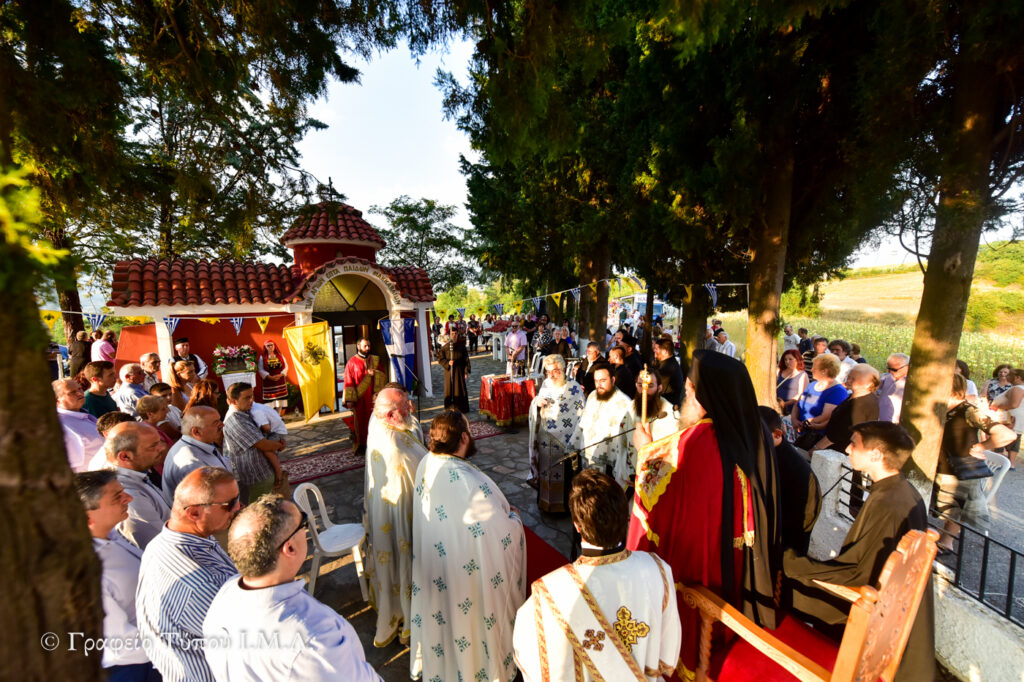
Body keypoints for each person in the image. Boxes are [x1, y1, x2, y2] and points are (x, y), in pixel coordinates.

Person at [627, 350, 781, 680]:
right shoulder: (751, 428)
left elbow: (662, 499)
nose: (685, 398)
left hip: (698, 565)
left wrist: (643, 451)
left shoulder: (697, 440)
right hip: (736, 559)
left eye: (690, 391)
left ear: (706, 395)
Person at [783, 422, 934, 681]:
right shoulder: (903, 490)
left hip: (871, 607)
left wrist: (790, 562)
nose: (847, 449)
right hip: (888, 602)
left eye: (854, 444)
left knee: (781, 583)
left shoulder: (888, 504)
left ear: (876, 454)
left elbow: (858, 572)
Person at [513, 470, 682, 681]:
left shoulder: (548, 592)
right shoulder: (658, 569)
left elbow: (528, 656)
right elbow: (667, 656)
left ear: (577, 526)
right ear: (626, 518)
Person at [203, 494, 381, 681]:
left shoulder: (224, 597)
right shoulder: (314, 638)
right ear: (290, 549)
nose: (306, 529)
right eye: (303, 523)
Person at [410, 410, 526, 682]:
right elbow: (498, 534)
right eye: (470, 431)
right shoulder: (466, 482)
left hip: (438, 566)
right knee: (470, 621)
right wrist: (514, 520)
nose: (472, 435)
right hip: (464, 575)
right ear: (463, 437)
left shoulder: (426, 461)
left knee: (445, 618)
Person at [136, 467, 239, 682]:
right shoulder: (202, 584)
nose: (238, 507)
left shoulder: (165, 542)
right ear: (194, 513)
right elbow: (251, 644)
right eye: (229, 504)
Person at [362, 387, 429, 647]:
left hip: (385, 511)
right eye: (405, 406)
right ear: (391, 415)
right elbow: (424, 474)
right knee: (404, 563)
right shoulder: (395, 447)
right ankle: (408, 616)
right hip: (400, 516)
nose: (411, 408)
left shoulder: (378, 424)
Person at [75, 470, 156, 681]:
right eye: (117, 497)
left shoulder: (112, 535)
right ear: (87, 517)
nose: (128, 498)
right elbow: (120, 642)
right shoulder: (87, 572)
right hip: (134, 666)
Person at [934, 374, 1016, 549]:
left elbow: (1007, 435)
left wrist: (982, 446)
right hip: (941, 466)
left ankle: (947, 543)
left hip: (961, 470)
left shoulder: (969, 410)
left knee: (957, 508)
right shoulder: (941, 408)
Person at [758, 407, 822, 555]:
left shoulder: (795, 468)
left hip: (788, 540)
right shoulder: (769, 454)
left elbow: (801, 518)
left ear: (777, 434)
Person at [528, 354, 586, 512]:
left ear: (563, 369)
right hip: (545, 438)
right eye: (548, 371)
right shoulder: (546, 383)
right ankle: (544, 503)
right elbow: (538, 401)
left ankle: (563, 507)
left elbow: (581, 414)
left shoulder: (573, 388)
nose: (551, 375)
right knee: (546, 470)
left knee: (563, 473)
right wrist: (537, 403)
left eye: (555, 371)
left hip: (565, 440)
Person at [571, 362, 636, 491]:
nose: (599, 385)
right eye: (596, 381)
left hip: (609, 463)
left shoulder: (625, 403)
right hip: (587, 457)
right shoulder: (592, 396)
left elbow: (627, 439)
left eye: (603, 381)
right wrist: (573, 445)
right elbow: (582, 422)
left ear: (613, 380)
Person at [106, 421, 171, 549]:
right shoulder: (128, 496)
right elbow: (160, 546)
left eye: (159, 442)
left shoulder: (139, 472)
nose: (162, 448)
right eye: (153, 446)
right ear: (125, 456)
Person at [223, 382, 284, 503]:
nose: (251, 400)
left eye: (251, 396)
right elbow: (263, 445)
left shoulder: (244, 412)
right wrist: (280, 445)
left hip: (260, 472)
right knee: (259, 508)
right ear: (234, 401)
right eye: (247, 398)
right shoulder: (235, 420)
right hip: (255, 476)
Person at [162, 406, 231, 501]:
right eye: (216, 423)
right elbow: (207, 501)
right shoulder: (192, 463)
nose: (222, 425)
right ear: (196, 432)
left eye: (220, 420)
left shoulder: (201, 444)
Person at [811, 363, 881, 455]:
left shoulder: (863, 404)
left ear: (868, 384)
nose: (848, 380)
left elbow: (841, 432)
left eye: (854, 379)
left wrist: (817, 447)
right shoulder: (855, 395)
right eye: (849, 377)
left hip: (838, 451)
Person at [791, 353, 848, 451]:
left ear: (824, 371)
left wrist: (806, 424)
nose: (811, 370)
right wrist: (794, 419)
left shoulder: (837, 391)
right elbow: (798, 403)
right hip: (800, 432)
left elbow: (826, 416)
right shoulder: (812, 384)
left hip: (815, 438)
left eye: (814, 368)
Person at [343, 337, 386, 454]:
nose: (367, 348)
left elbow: (382, 374)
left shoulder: (375, 360)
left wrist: (375, 373)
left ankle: (376, 445)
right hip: (360, 399)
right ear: (358, 346)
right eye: (365, 346)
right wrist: (350, 399)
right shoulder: (351, 363)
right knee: (361, 423)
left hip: (373, 398)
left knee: (375, 422)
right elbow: (348, 381)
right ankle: (362, 445)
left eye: (368, 346)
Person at [54, 378, 104, 472]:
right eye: (72, 392)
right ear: (57, 400)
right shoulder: (63, 426)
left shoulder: (82, 415)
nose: (80, 393)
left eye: (80, 389)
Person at [633, 367, 679, 442]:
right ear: (636, 385)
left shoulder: (671, 416)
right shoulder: (628, 407)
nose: (644, 391)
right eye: (640, 385)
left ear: (659, 388)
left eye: (650, 386)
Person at [990, 367, 1024, 468]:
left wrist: (997, 406)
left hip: (1010, 418)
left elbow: (1014, 404)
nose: (1007, 376)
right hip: (1015, 418)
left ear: (1018, 377)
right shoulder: (1018, 387)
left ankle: (999, 462)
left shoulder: (1018, 388)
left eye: (1010, 375)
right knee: (1014, 438)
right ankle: (1009, 464)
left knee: (1000, 437)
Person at [436, 328, 471, 413]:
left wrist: (466, 371)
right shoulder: (445, 347)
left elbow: (466, 359)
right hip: (449, 372)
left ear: (458, 335)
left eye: (455, 334)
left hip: (459, 371)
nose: (454, 336)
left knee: (460, 389)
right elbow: (440, 359)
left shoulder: (462, 346)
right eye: (452, 334)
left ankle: (461, 408)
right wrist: (448, 363)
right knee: (449, 389)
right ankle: (449, 408)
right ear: (449, 335)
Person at [258, 339, 289, 413]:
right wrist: (269, 377)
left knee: (280, 400)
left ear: (274, 346)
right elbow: (260, 369)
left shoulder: (280, 355)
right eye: (268, 346)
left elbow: (286, 366)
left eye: (271, 345)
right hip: (269, 382)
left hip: (280, 381)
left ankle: (278, 415)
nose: (270, 347)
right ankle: (271, 416)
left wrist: (281, 375)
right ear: (265, 347)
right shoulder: (263, 357)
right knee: (270, 401)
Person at [877, 353, 910, 423]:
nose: (891, 372)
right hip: (881, 422)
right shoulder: (887, 377)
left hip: (896, 424)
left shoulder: (910, 384)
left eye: (894, 369)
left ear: (907, 367)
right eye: (889, 369)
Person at [653, 337, 685, 406]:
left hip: (666, 405)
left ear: (665, 352)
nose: (654, 350)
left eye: (656, 349)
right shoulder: (665, 363)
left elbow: (657, 390)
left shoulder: (669, 368)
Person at [776, 348, 808, 415]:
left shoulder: (803, 375)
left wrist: (785, 404)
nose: (787, 361)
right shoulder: (779, 371)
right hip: (777, 406)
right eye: (785, 359)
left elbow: (801, 394)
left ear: (797, 360)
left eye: (790, 359)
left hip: (792, 409)